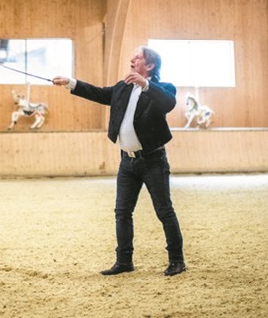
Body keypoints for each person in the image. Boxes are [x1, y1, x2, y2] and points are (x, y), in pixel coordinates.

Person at [52, 46, 185, 276]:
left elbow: (168, 104)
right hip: (127, 163)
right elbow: (99, 93)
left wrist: (145, 84)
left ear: (150, 65)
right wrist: (70, 82)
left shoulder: (163, 88)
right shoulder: (123, 87)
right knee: (122, 212)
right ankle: (124, 262)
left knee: (164, 211)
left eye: (138, 57)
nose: (132, 59)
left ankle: (177, 260)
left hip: (153, 161)